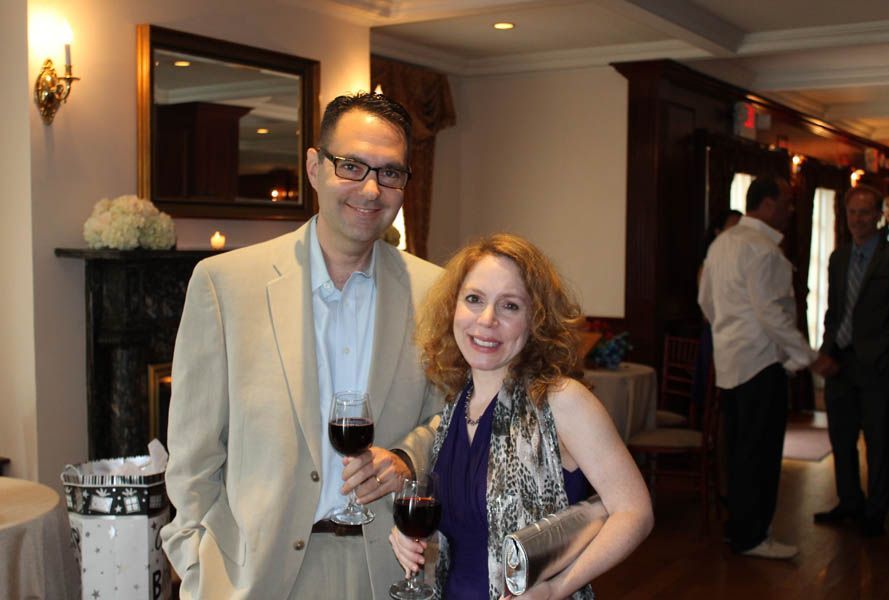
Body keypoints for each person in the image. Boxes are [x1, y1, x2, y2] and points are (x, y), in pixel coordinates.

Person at [161, 92, 444, 599]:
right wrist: (200, 565)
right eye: (351, 165)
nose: (371, 189)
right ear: (314, 167)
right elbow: (193, 455)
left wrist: (405, 456)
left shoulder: (435, 292)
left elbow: (454, 419)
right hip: (257, 577)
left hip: (389, 568)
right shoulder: (225, 285)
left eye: (390, 173)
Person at [389, 234, 653, 599]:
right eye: (474, 299)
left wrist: (558, 588)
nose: (487, 320)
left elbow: (635, 512)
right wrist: (410, 537)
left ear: (536, 320)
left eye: (510, 306)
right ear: (453, 307)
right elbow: (464, 528)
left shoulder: (560, 401)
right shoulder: (456, 405)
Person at [698, 176, 828, 560]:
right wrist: (808, 357)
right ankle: (753, 536)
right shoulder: (763, 250)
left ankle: (739, 529)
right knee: (761, 454)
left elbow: (705, 301)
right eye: (786, 203)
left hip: (730, 363)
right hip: (761, 363)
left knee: (739, 451)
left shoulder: (722, 243)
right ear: (768, 205)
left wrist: (727, 336)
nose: (790, 210)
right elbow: (771, 314)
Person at [813, 184, 889, 537]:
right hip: (840, 363)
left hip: (878, 365)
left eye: (865, 213)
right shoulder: (839, 257)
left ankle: (876, 512)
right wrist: (825, 350)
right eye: (852, 213)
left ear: (879, 215)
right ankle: (849, 501)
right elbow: (835, 311)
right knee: (841, 438)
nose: (858, 220)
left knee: (879, 442)